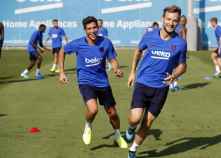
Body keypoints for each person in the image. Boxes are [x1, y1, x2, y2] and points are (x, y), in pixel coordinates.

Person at [125, 5, 188, 158]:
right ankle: (131, 128)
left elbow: (183, 65)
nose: (171, 23)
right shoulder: (149, 35)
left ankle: (133, 149)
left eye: (175, 20)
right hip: (143, 83)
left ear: (178, 21)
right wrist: (132, 72)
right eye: (168, 19)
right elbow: (138, 51)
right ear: (163, 19)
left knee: (148, 122)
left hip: (161, 88)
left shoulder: (180, 43)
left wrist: (174, 75)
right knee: (135, 118)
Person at [58, 16, 128, 148]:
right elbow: (63, 51)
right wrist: (62, 72)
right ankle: (88, 126)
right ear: (85, 30)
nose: (92, 31)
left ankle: (117, 135)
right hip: (85, 81)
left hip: (103, 82)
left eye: (94, 27)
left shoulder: (106, 42)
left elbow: (112, 59)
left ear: (98, 27)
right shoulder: (78, 43)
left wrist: (116, 69)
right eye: (89, 29)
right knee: (93, 109)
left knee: (112, 113)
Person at [170, 15, 188, 91]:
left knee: (174, 67)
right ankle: (174, 85)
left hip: (173, 48)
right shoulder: (183, 28)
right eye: (183, 20)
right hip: (179, 48)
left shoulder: (175, 27)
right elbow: (184, 40)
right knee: (180, 68)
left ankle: (172, 85)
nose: (183, 21)